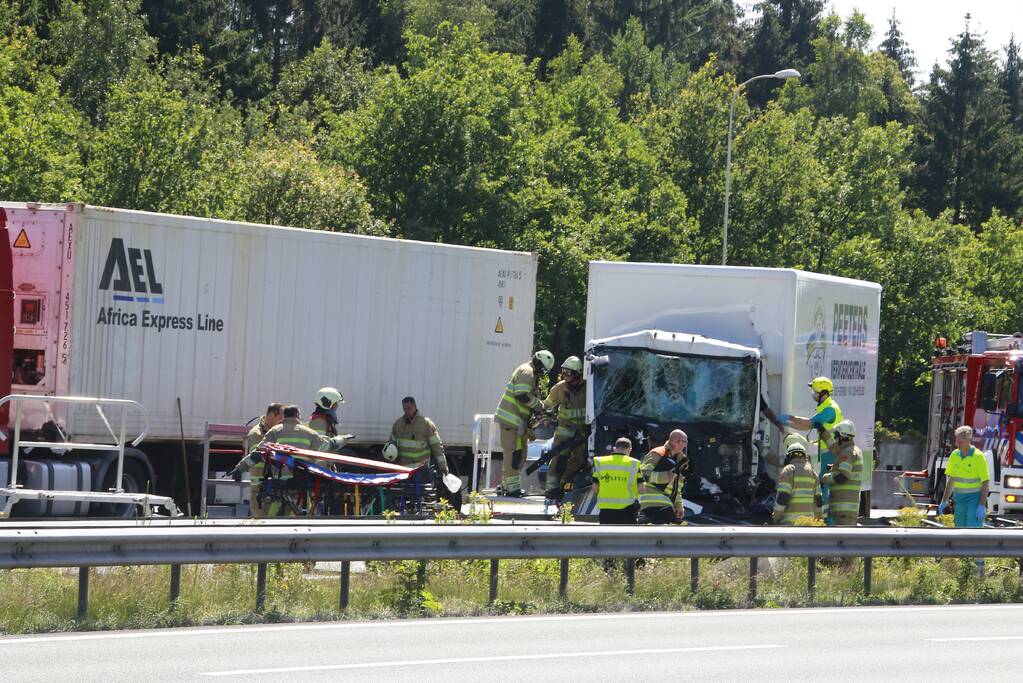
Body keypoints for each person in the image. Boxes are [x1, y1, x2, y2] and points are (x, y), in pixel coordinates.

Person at [781, 376, 843, 522]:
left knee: (824, 489)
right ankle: (826, 521)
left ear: (824, 393)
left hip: (832, 454)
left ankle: (828, 524)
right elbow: (808, 426)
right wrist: (787, 424)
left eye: (816, 391)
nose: (813, 394)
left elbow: (809, 423)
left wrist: (789, 417)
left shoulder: (830, 410)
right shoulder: (825, 407)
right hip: (828, 454)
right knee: (823, 488)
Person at [494, 350, 554, 496]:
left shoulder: (531, 373)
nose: (542, 372)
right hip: (511, 421)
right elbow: (521, 395)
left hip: (517, 423)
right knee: (513, 455)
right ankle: (512, 489)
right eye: (543, 368)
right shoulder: (528, 372)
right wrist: (540, 406)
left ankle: (506, 487)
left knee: (519, 456)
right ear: (538, 362)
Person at [542, 355, 587, 498]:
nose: (565, 375)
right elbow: (546, 405)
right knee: (558, 458)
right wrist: (544, 417)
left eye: (568, 372)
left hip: (582, 431)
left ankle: (562, 483)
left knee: (580, 459)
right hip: (564, 429)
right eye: (563, 371)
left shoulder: (588, 386)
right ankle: (551, 489)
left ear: (578, 373)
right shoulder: (559, 388)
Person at [938, 426, 989, 528]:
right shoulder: (954, 455)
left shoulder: (979, 457)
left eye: (961, 442)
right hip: (959, 499)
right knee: (959, 528)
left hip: (974, 498)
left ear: (969, 440)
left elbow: (985, 482)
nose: (957, 444)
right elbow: (951, 480)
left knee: (972, 528)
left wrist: (982, 505)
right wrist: (944, 500)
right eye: (957, 441)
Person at [385, 397, 450, 475]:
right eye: (404, 409)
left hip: (421, 471)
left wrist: (444, 469)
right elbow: (391, 446)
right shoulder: (398, 424)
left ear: (415, 407)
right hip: (403, 471)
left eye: (409, 408)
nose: (407, 411)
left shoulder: (426, 424)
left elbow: (437, 449)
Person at [638, 430, 689, 524]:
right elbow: (644, 473)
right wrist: (666, 476)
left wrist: (679, 505)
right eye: (685, 441)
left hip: (666, 503)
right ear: (676, 441)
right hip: (651, 503)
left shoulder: (681, 460)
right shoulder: (658, 453)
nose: (685, 445)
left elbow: (677, 487)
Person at [243, 402, 283, 517]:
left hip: (272, 487)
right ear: (271, 416)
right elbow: (261, 457)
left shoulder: (275, 432)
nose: (281, 423)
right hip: (260, 489)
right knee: (261, 523)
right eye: (280, 419)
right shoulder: (257, 434)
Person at [592, 437, 644, 524]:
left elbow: (595, 489)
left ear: (614, 449)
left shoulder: (601, 462)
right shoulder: (634, 464)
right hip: (627, 511)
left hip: (606, 511)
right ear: (630, 449)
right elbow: (641, 490)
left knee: (607, 537)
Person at [821, 419, 863, 526]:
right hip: (844, 511)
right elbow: (834, 449)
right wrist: (822, 432)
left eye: (836, 435)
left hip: (843, 510)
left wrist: (825, 478)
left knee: (844, 541)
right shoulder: (850, 450)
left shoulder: (847, 453)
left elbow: (843, 476)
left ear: (842, 436)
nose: (835, 438)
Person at [773, 439, 823, 525]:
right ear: (804, 456)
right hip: (808, 524)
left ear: (789, 457)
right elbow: (819, 500)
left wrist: (776, 517)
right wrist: (818, 520)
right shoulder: (813, 473)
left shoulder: (788, 470)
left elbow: (783, 497)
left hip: (791, 524)